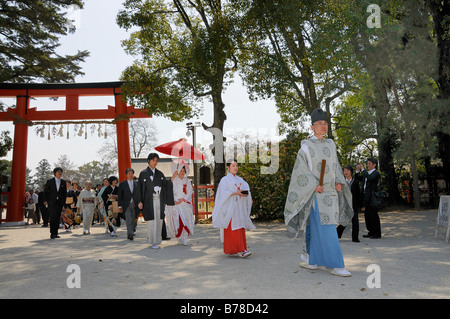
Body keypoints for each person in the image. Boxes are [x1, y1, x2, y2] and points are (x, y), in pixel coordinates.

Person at [284, 108, 354, 277]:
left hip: (330, 191)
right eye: (319, 124)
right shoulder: (306, 147)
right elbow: (300, 172)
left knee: (316, 227)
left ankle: (312, 261)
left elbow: (335, 165)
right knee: (328, 226)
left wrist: (339, 181)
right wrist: (313, 186)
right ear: (312, 127)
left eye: (325, 123)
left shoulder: (331, 144)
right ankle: (337, 265)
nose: (323, 127)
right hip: (316, 193)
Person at [212, 159, 255, 258]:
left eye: (236, 165)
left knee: (240, 227)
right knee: (233, 228)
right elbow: (222, 194)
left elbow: (246, 188)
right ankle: (242, 250)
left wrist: (248, 195)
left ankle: (234, 249)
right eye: (233, 166)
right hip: (230, 208)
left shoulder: (240, 179)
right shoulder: (225, 180)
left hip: (239, 207)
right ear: (228, 167)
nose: (235, 168)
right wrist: (236, 192)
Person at [136, 153, 174, 249]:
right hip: (149, 201)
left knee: (159, 220)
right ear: (149, 160)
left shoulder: (160, 174)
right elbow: (139, 188)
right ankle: (152, 241)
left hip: (159, 200)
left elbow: (165, 185)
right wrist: (140, 201)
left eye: (157, 160)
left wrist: (173, 178)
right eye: (153, 160)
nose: (155, 162)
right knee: (151, 221)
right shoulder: (143, 173)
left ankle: (157, 240)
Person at [165, 165, 195, 246]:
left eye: (183, 171)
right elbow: (170, 190)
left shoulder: (187, 181)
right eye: (180, 171)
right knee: (177, 220)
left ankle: (184, 237)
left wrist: (183, 199)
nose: (182, 172)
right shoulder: (174, 180)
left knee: (184, 220)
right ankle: (180, 237)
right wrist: (175, 200)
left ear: (185, 172)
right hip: (176, 203)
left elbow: (189, 192)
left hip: (184, 202)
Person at [337, 164, 362, 242]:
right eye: (344, 170)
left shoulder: (355, 182)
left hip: (353, 204)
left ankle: (355, 238)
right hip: (344, 204)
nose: (346, 172)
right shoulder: (341, 182)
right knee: (344, 220)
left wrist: (361, 205)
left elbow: (358, 194)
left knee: (355, 221)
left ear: (351, 172)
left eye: (347, 170)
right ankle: (337, 235)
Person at [360, 157, 382, 239]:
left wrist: (363, 170)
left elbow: (370, 178)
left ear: (374, 165)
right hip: (366, 197)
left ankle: (377, 233)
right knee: (367, 216)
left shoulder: (376, 173)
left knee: (373, 215)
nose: (368, 165)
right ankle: (371, 231)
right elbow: (361, 178)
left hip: (372, 198)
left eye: (369, 164)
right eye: (367, 163)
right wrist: (357, 171)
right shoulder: (367, 173)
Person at [44, 167, 67, 239]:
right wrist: (45, 201)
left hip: (59, 203)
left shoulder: (63, 182)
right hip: (51, 202)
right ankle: (52, 233)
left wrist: (63, 204)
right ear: (55, 173)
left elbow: (64, 194)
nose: (60, 173)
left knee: (57, 218)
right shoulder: (50, 181)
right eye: (58, 172)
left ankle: (56, 233)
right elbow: (45, 192)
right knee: (52, 218)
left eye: (61, 172)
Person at [118, 168, 139, 241]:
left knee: (133, 220)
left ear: (133, 174)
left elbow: (139, 194)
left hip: (135, 204)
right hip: (126, 204)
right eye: (129, 173)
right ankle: (130, 234)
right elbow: (120, 196)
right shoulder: (122, 184)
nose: (130, 175)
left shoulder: (137, 183)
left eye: (131, 173)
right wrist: (119, 206)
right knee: (128, 219)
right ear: (126, 175)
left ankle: (132, 230)